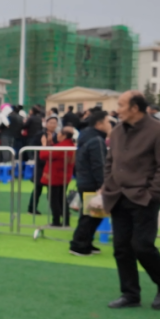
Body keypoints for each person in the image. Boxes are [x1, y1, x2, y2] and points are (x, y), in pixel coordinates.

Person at [101, 91, 160, 310]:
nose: (117, 109)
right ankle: (130, 294)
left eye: (121, 105)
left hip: (143, 198)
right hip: (118, 196)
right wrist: (109, 184)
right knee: (121, 247)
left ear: (135, 108)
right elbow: (110, 161)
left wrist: (153, 193)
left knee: (142, 246)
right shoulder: (117, 131)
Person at [69, 109, 111, 256]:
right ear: (99, 124)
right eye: (108, 122)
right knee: (90, 216)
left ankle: (85, 242)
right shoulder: (96, 140)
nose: (110, 125)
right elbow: (99, 165)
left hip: (85, 180)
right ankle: (79, 244)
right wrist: (104, 185)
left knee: (92, 215)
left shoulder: (87, 136)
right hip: (92, 182)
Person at [40, 127, 76, 227]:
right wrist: (50, 143)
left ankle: (56, 221)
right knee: (61, 198)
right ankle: (66, 221)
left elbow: (44, 155)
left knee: (54, 199)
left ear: (64, 135)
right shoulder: (70, 145)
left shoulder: (62, 147)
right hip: (64, 176)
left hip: (55, 176)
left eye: (59, 133)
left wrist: (44, 144)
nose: (57, 135)